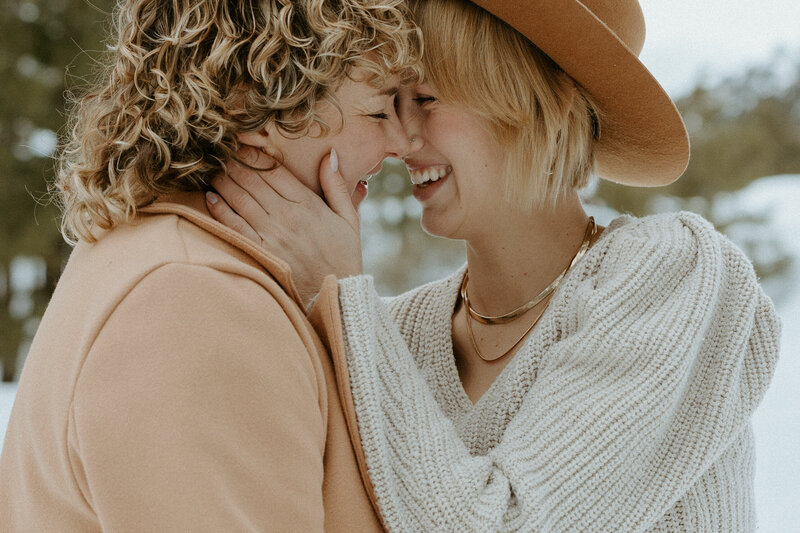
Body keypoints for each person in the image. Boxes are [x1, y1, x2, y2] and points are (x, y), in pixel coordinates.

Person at [207, 0, 782, 530]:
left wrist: (334, 286)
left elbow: (508, 522)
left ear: (540, 104)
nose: (402, 141)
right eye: (390, 106)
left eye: (426, 100)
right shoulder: (395, 332)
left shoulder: (674, 275)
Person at [0, 0, 421, 531]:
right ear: (253, 110)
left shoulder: (156, 254)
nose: (403, 143)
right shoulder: (194, 301)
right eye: (379, 110)